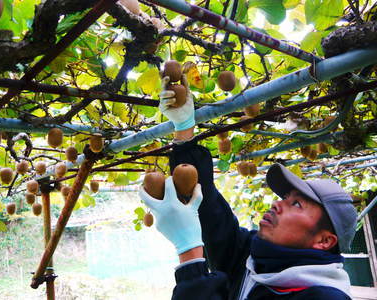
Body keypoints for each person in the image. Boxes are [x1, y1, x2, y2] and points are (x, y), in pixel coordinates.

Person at [138, 75, 358, 300]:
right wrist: (184, 129)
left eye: (297, 204)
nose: (277, 204)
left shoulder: (325, 297)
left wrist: (189, 251)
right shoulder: (254, 257)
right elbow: (212, 214)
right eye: (284, 197)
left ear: (324, 241)